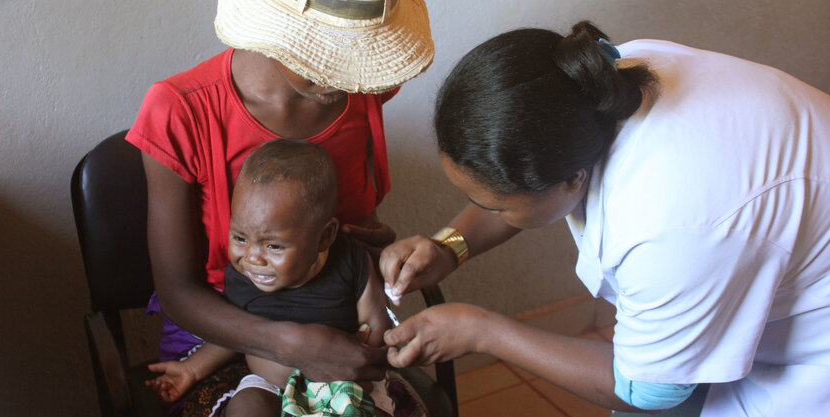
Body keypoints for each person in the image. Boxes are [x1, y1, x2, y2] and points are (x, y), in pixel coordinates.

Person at [378, 21, 830, 417]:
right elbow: (514, 182)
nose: (479, 211)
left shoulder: (668, 227)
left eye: (493, 205)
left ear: (571, 180)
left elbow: (648, 392)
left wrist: (485, 331)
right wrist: (448, 246)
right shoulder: (591, 82)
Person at [126, 0, 433, 414]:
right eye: (329, 51)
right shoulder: (181, 111)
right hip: (224, 329)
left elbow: (351, 231)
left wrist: (372, 247)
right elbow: (177, 292)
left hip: (336, 317)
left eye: (357, 52)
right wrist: (293, 343)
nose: (346, 72)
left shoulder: (360, 89)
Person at [145, 139, 424, 417]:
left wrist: (366, 351)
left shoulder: (350, 262)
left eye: (274, 246)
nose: (252, 257)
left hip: (343, 383)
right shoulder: (242, 277)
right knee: (245, 407)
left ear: (324, 237)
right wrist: (191, 369)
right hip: (270, 387)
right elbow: (233, 337)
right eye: (240, 238)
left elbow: (376, 325)